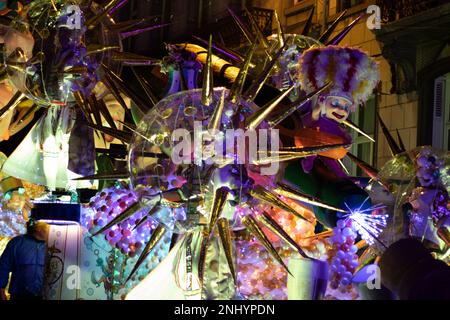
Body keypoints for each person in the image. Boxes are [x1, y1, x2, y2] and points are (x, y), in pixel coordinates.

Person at [0, 220, 49, 300]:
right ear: (38, 229)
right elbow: (3, 266)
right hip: (19, 295)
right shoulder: (16, 243)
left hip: (46, 295)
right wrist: (1, 288)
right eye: (48, 227)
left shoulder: (55, 245)